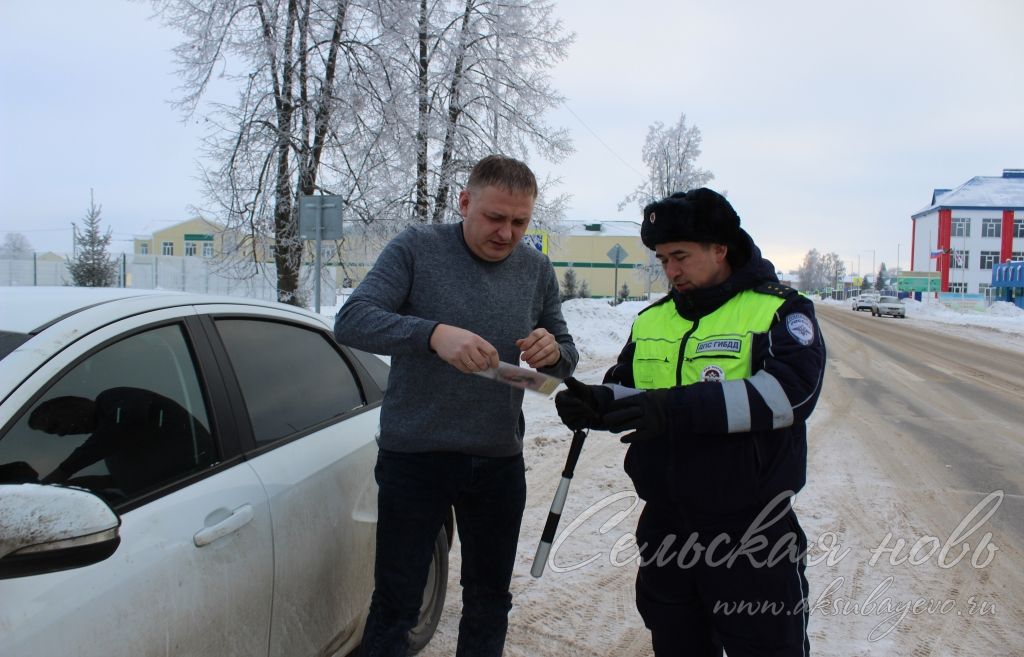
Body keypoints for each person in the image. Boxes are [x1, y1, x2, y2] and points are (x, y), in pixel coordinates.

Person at [554, 188, 826, 657]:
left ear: (720, 248)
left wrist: (673, 410)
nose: (671, 271)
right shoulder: (652, 320)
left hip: (751, 530)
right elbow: (633, 389)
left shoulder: (779, 309)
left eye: (680, 256)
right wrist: (596, 403)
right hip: (666, 526)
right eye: (662, 260)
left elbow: (789, 395)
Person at [334, 154, 578, 657]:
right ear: (465, 202)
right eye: (495, 217)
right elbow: (353, 319)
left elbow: (563, 361)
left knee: (489, 600)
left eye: (520, 221)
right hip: (414, 458)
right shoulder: (416, 249)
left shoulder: (536, 269)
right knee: (398, 603)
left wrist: (553, 354)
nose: (508, 234)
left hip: (497, 462)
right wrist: (432, 335)